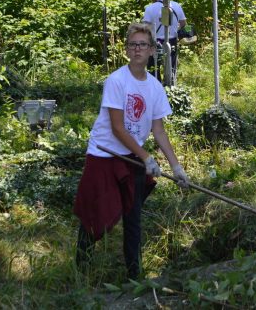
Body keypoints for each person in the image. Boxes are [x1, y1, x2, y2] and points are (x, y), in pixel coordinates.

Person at [73, 22, 189, 279]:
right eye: (133, 44)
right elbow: (117, 128)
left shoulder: (155, 87)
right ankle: (81, 269)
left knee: (133, 214)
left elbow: (158, 130)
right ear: (126, 50)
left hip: (132, 155)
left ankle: (134, 275)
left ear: (152, 50)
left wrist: (176, 166)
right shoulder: (117, 81)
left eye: (143, 45)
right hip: (104, 153)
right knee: (96, 212)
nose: (137, 49)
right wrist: (146, 157)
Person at [142, 0, 186, 81]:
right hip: (172, 40)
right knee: (171, 66)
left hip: (155, 41)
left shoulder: (150, 8)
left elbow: (145, 27)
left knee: (153, 67)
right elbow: (183, 23)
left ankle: (156, 85)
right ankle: (171, 84)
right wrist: (174, 29)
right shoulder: (176, 5)